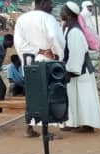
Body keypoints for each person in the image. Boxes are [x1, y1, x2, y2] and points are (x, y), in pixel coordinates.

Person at [13, 0, 64, 138]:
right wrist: (57, 55)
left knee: (32, 96)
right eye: (50, 3)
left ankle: (29, 128)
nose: (52, 6)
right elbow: (55, 37)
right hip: (47, 64)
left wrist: (37, 51)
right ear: (42, 2)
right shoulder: (48, 18)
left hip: (29, 64)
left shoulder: (22, 19)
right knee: (47, 96)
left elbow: (19, 43)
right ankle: (45, 132)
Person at [59, 1, 100, 133]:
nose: (61, 13)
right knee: (75, 98)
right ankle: (74, 123)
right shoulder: (69, 28)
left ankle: (88, 125)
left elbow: (77, 53)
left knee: (84, 99)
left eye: (63, 10)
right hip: (76, 70)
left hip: (80, 71)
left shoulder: (75, 32)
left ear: (69, 14)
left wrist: (71, 70)